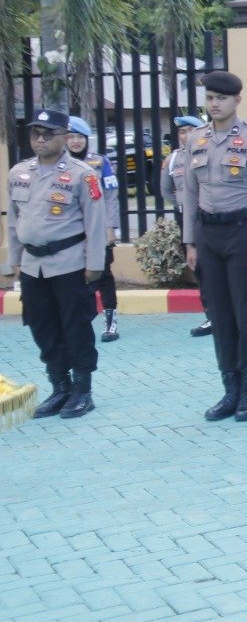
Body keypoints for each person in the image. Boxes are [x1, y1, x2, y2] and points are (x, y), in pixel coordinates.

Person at [183, 71, 247, 423]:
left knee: (245, 311)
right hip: (208, 235)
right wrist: (189, 242)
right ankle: (230, 388)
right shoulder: (195, 139)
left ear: (237, 100)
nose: (214, 104)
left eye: (221, 98)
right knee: (220, 314)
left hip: (242, 231)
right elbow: (190, 195)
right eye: (209, 98)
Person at [8, 110, 109, 419]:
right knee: (42, 326)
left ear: (65, 137)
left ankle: (82, 390)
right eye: (35, 133)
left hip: (69, 264)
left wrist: (95, 264)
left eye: (48, 133)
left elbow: (95, 223)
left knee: (75, 326)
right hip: (32, 266)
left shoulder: (82, 174)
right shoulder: (19, 173)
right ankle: (60, 387)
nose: (40, 139)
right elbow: (14, 222)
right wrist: (13, 261)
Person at [66, 117, 121, 342]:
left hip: (98, 231)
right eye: (71, 137)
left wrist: (110, 228)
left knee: (103, 275)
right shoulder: (61, 165)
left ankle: (110, 321)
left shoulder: (100, 163)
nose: (76, 141)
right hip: (71, 232)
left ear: (87, 139)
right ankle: (82, 320)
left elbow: (111, 197)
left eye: (80, 137)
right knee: (75, 277)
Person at [162, 115, 213, 337]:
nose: (185, 136)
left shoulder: (208, 152)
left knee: (215, 267)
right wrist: (183, 205)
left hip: (209, 217)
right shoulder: (172, 160)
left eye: (190, 130)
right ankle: (210, 315)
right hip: (186, 218)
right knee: (199, 268)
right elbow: (165, 190)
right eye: (182, 132)